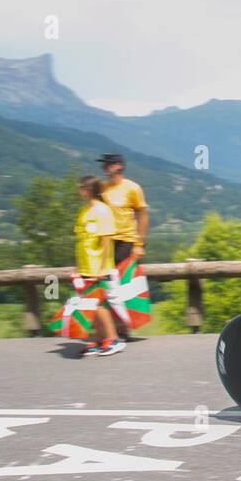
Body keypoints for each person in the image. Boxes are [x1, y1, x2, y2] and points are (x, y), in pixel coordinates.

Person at [73, 175, 124, 357]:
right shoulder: (84, 212)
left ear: (88, 189)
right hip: (86, 268)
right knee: (88, 305)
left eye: (81, 187)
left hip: (98, 269)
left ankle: (113, 339)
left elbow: (106, 242)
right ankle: (99, 339)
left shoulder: (102, 211)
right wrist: (77, 268)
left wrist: (102, 269)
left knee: (98, 305)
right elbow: (81, 242)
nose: (78, 191)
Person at [98, 153, 149, 266]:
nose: (104, 167)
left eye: (108, 164)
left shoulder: (132, 188)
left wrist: (139, 245)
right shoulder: (102, 188)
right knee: (107, 280)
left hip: (126, 241)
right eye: (104, 165)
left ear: (119, 166)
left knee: (123, 280)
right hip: (107, 241)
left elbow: (143, 215)